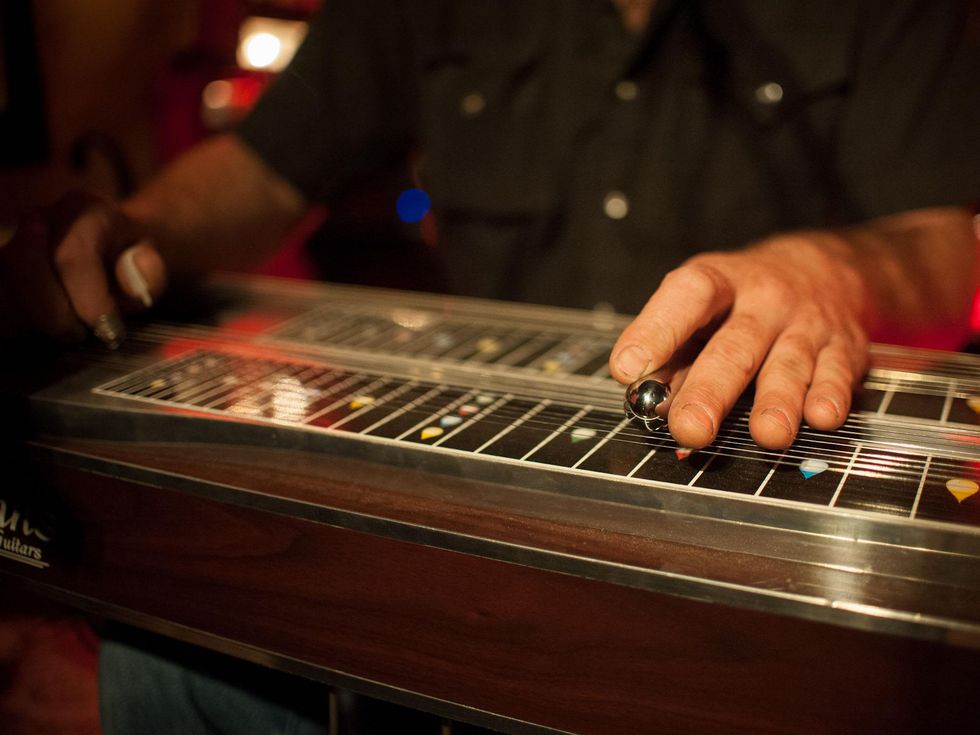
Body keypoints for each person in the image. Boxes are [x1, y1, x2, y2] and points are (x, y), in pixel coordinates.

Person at [2, 1, 979, 733]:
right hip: (458, 524)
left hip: (752, 557)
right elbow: (264, 168)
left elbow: (948, 236)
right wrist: (136, 233)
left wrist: (825, 271)